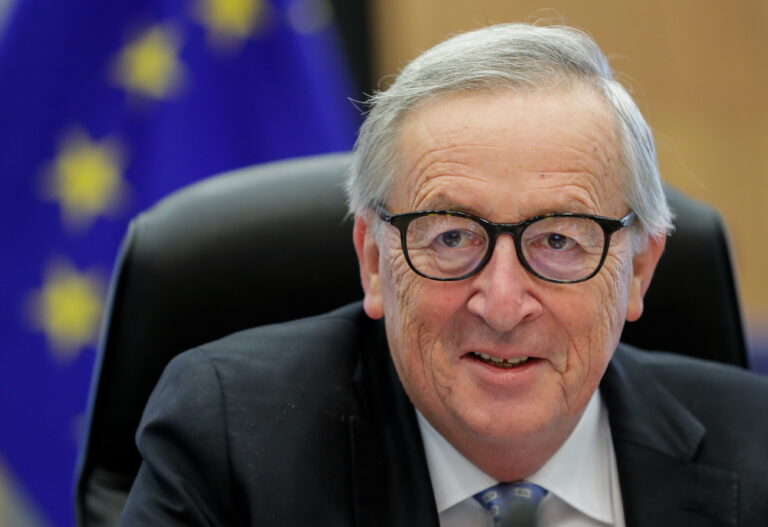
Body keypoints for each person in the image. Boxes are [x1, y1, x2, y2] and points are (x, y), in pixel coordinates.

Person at [119, 24, 768, 526]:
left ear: (639, 271)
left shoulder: (758, 454)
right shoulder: (233, 443)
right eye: (453, 236)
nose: (504, 303)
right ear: (375, 261)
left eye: (559, 240)